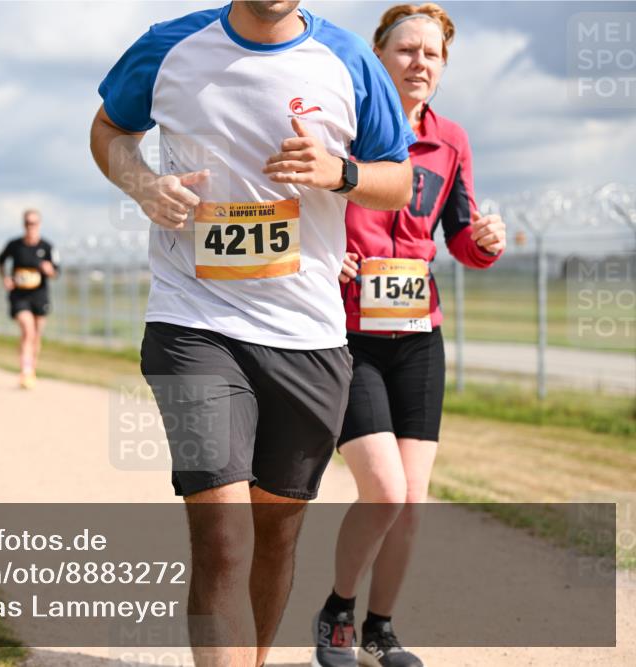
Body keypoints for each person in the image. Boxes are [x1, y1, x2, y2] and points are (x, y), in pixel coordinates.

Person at [91, 2, 415, 664]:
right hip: (193, 320)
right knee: (223, 535)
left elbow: (399, 180)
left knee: (273, 535)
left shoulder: (350, 60)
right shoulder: (171, 46)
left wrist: (341, 172)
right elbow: (108, 131)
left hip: (308, 335)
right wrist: (144, 185)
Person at [313, 5, 506, 667]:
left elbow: (458, 231)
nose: (420, 62)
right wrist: (323, 255)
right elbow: (302, 214)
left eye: (433, 53)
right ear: (378, 54)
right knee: (385, 491)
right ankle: (338, 610)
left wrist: (484, 242)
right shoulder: (342, 129)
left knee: (413, 502)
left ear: (443, 68)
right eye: (406, 49)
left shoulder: (452, 140)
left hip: (420, 335)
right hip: (349, 335)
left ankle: (380, 629)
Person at [0, 209, 59, 389]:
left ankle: (32, 369)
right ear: (23, 224)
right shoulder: (14, 245)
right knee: (27, 330)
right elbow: (0, 261)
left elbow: (57, 271)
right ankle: (25, 371)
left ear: (39, 224)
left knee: (36, 335)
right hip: (19, 294)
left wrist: (50, 270)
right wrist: (5, 278)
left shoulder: (47, 247)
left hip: (39, 295)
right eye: (27, 223)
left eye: (34, 223)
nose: (30, 226)